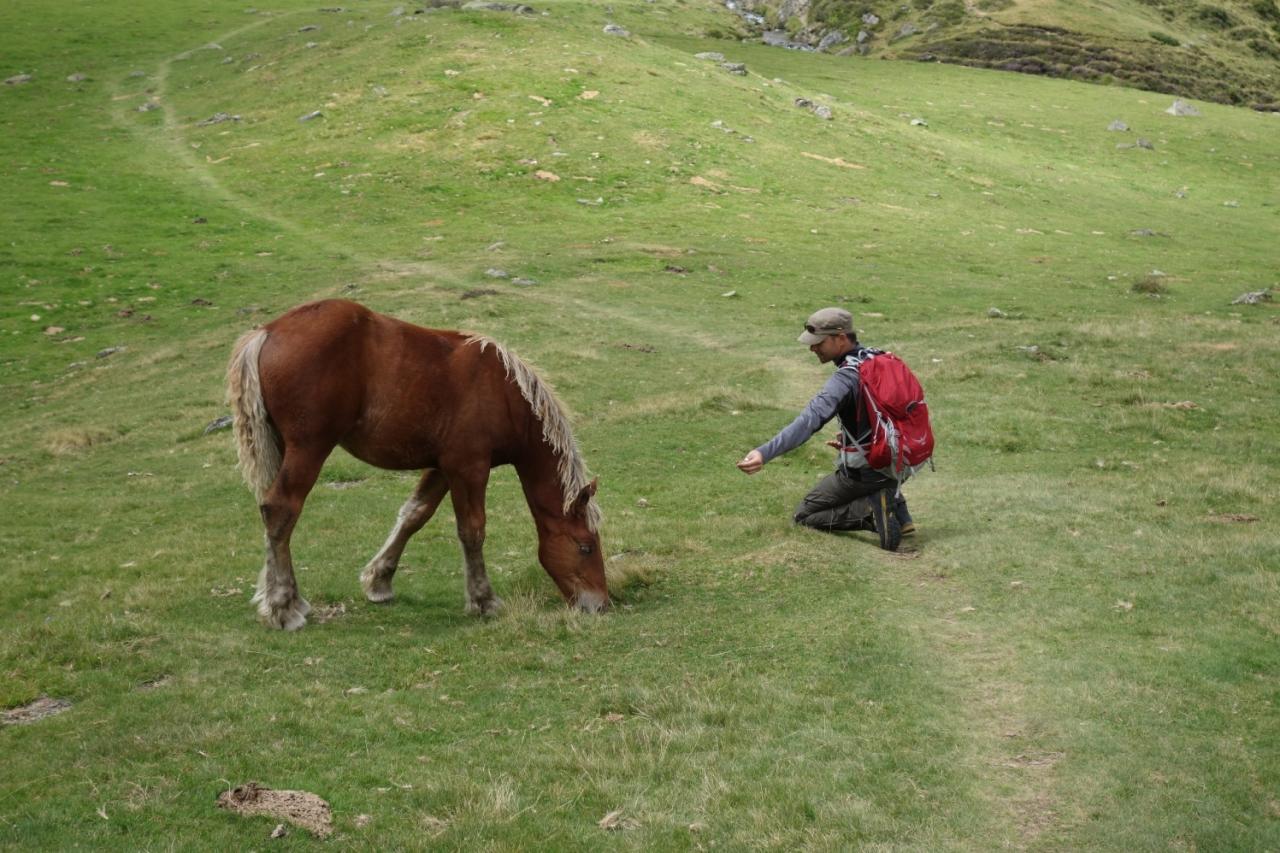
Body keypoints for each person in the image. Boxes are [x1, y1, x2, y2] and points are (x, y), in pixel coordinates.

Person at [736, 307, 915, 551]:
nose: (812, 348)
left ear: (840, 338)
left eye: (818, 342)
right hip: (905, 459)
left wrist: (764, 453)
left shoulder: (845, 378)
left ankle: (871, 513)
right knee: (866, 472)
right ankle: (900, 513)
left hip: (870, 471)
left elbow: (809, 420)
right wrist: (853, 438)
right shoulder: (880, 358)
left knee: (804, 516)